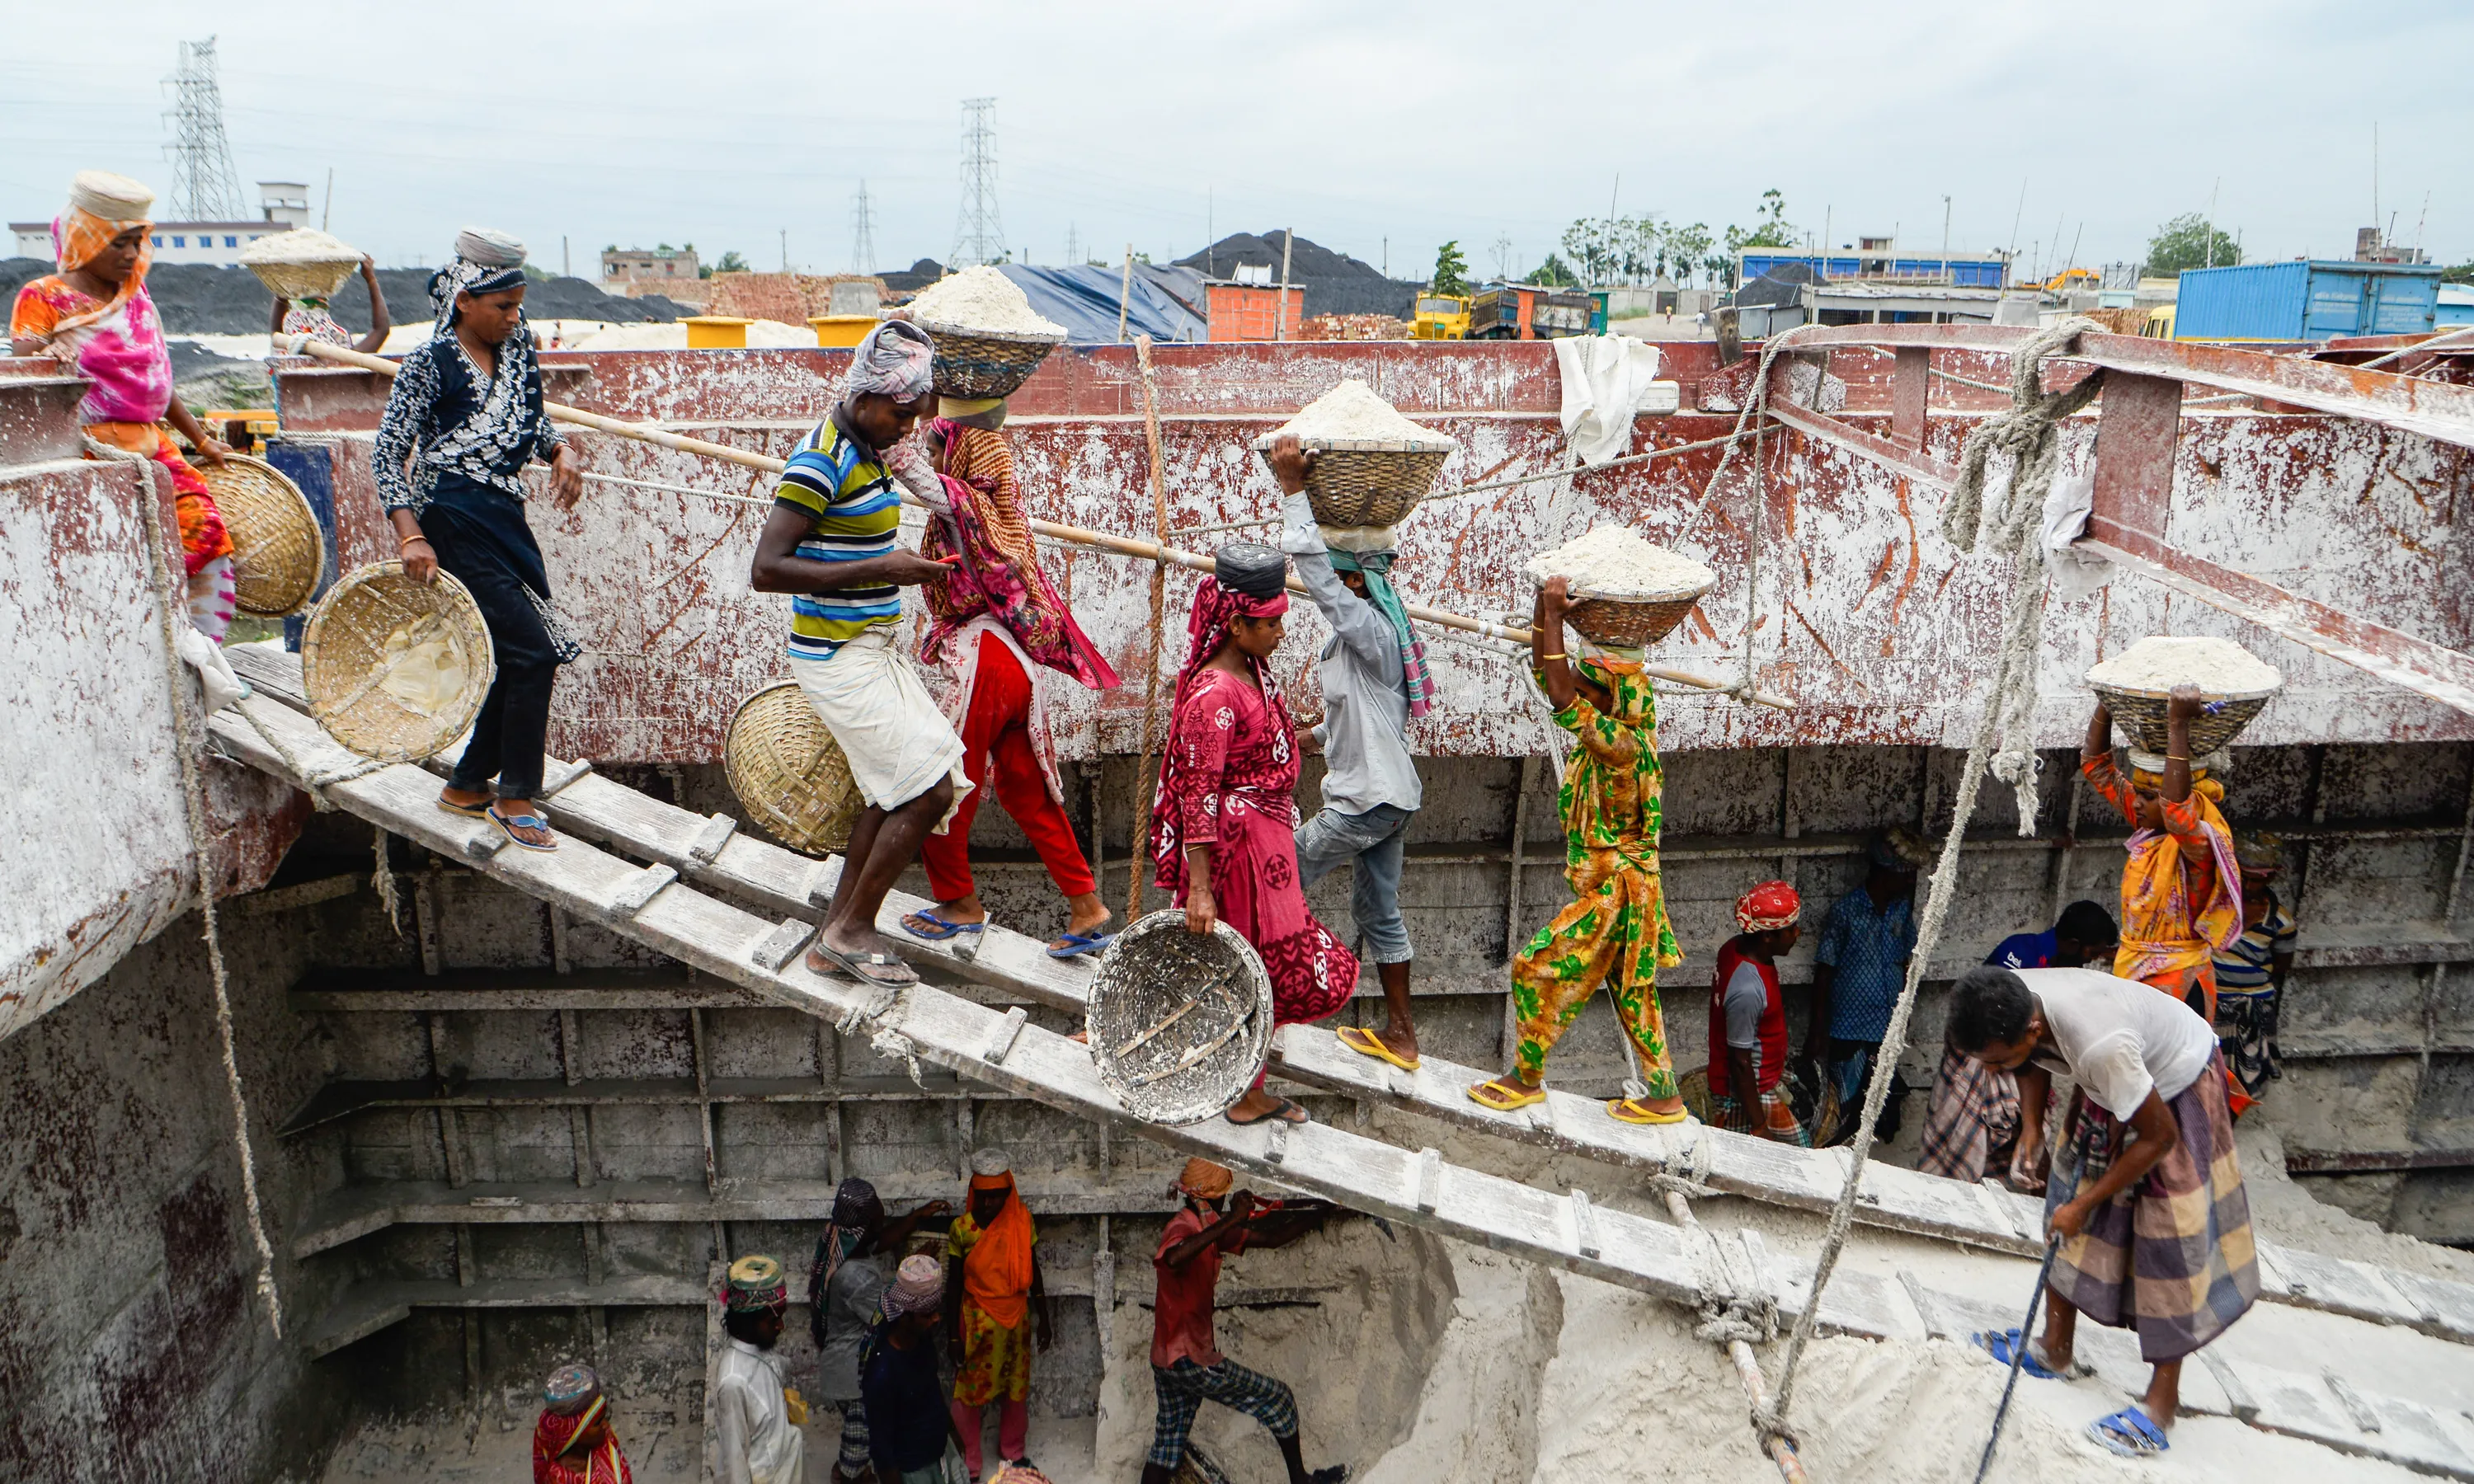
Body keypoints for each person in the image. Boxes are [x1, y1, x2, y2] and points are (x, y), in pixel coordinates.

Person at [1948, 965, 2259, 1458]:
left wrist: (2085, 1205)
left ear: (2032, 1030)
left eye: (1997, 1060)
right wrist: (2032, 1127)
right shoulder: (2015, 997)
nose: (1991, 1072)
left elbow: (2159, 1137)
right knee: (2063, 1202)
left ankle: (2161, 1405)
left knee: (2167, 1239)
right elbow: (2026, 1064)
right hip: (2113, 1087)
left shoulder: (2100, 1046)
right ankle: (2054, 1348)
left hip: (2177, 1088)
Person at [750, 319, 968, 988]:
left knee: (889, 791)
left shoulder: (873, 446)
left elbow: (925, 483)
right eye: (901, 415)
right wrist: (884, 568)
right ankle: (851, 929)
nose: (907, 428)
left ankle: (834, 936)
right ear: (866, 398)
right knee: (927, 789)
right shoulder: (821, 461)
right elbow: (767, 569)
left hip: (870, 647)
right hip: (835, 657)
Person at [377, 227, 585, 852]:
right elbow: (390, 451)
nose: (513, 318)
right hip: (452, 515)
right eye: (502, 306)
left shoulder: (519, 346)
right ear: (465, 300)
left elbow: (531, 416)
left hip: (505, 516)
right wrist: (411, 535)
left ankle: (468, 785)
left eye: (518, 306)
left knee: (514, 653)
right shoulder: (428, 364)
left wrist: (558, 447)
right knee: (534, 652)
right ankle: (516, 795)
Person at [895, 392, 1120, 960]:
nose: (934, 453)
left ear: (963, 455)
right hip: (1014, 665)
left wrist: (906, 411)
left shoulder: (965, 503)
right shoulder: (1003, 513)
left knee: (945, 784)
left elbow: (908, 467)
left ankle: (959, 904)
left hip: (984, 667)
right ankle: (1087, 906)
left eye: (942, 447)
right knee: (1028, 791)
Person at [1147, 543, 1360, 1128]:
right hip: (1237, 856)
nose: (1280, 635)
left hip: (1267, 847)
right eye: (1270, 625)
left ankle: (1247, 1077)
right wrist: (1199, 889)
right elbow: (1198, 793)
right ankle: (1245, 1095)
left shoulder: (1252, 673)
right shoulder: (1213, 696)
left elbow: (1265, 747)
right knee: (1249, 964)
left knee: (1259, 962)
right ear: (1236, 624)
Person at [1469, 576, 1685, 1124]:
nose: (1584, 688)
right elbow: (1556, 677)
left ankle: (1526, 1078)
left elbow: (1561, 691)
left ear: (1614, 697)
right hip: (1620, 885)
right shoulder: (1619, 727)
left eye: (1596, 685)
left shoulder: (1621, 745)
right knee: (1633, 993)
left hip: (1618, 889)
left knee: (1534, 966)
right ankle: (1664, 1095)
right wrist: (1547, 615)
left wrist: (1551, 613)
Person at [10, 171, 238, 641]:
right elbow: (23, 375)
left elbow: (158, 378)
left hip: (153, 445)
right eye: (119, 243)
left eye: (137, 242)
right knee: (115, 556)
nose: (132, 255)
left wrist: (200, 440)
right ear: (86, 237)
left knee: (206, 535)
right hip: (90, 452)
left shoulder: (134, 295)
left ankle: (195, 655)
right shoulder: (44, 296)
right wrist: (50, 359)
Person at [1268, 434, 1432, 1072]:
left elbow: (1314, 573)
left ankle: (1275, 1002)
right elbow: (1354, 725)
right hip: (1388, 799)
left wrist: (1293, 493)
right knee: (1376, 910)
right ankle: (1401, 1036)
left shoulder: (1368, 629)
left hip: (1365, 803)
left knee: (1278, 880)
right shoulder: (1352, 648)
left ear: (1355, 580)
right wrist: (1303, 739)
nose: (1327, 588)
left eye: (1339, 578)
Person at [1145, 1160, 1346, 1484]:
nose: (1227, 1202)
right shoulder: (1183, 1227)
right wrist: (1232, 1220)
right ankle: (1301, 1481)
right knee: (1278, 1398)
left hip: (1165, 1360)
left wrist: (1321, 1210)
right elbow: (1173, 1258)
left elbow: (1274, 1238)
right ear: (1211, 1197)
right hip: (1190, 1360)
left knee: (1167, 1447)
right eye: (1223, 1196)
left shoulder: (1208, 1227)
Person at [1919, 901, 2118, 1183]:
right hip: (1985, 1053)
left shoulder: (2066, 968)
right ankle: (1950, 1188)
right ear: (2073, 944)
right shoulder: (2019, 955)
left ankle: (2030, 1195)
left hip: (2020, 1057)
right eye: (2092, 952)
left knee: (2027, 1124)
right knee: (1967, 1126)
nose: (2092, 960)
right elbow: (1989, 1023)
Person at [2082, 688, 2241, 1021]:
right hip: (2133, 969)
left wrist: (2178, 725)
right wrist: (2109, 700)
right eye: (2137, 794)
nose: (2136, 803)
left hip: (2178, 979)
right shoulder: (2150, 822)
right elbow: (2096, 765)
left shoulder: (2199, 842)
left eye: (2147, 796)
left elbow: (2176, 811)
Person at [810, 1179, 952, 1484]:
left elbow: (882, 1239)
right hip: (852, 1373)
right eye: (878, 1219)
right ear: (863, 1228)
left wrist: (916, 1216)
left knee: (862, 1443)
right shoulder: (854, 1278)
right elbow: (888, 1309)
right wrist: (914, 1272)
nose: (883, 1220)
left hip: (848, 1363)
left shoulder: (843, 1241)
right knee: (859, 1449)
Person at [1803, 829, 1924, 1129]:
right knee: (1842, 1106)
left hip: (1886, 1027)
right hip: (1850, 1027)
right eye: (1905, 874)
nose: (1911, 881)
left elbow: (1907, 960)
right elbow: (1824, 972)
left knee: (1879, 1104)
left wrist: (1904, 1010)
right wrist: (1817, 1031)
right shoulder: (1846, 912)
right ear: (1885, 872)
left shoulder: (1901, 910)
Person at [944, 1150, 1049, 1480]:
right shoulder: (962, 1229)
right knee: (969, 1393)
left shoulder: (1021, 1221)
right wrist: (952, 1335)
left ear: (1008, 1194)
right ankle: (970, 1462)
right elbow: (954, 1284)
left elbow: (1034, 1270)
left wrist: (1044, 1317)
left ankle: (1013, 1451)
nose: (990, 1205)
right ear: (975, 1193)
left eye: (997, 1198)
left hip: (1016, 1321)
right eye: (984, 1198)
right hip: (977, 1323)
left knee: (1015, 1390)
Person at [1705, 881, 1808, 1144]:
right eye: (1790, 929)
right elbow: (1740, 1063)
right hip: (1748, 1094)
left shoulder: (1734, 949)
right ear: (1766, 936)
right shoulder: (1748, 988)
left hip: (1760, 1080)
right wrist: (1759, 1125)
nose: (1797, 933)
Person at [861, 1255, 965, 1484]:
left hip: (939, 1452)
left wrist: (953, 1434)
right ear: (904, 1318)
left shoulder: (922, 1340)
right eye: (928, 1315)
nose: (936, 1319)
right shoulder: (882, 1373)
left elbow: (932, 1391)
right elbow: (882, 1449)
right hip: (913, 1470)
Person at [2213, 831, 2298, 1095]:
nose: (2249, 887)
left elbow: (2282, 965)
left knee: (2244, 1080)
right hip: (2212, 1001)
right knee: (2207, 1075)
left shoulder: (2281, 921)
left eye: (2257, 880)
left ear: (2272, 877)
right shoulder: (2213, 906)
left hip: (2254, 1008)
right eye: (2244, 878)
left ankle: (2225, 1131)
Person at [715, 1255, 808, 1484]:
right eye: (774, 1319)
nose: (781, 1326)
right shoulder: (733, 1381)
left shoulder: (760, 1347)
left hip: (784, 1462)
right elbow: (734, 1460)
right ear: (750, 1322)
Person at [266, 251, 391, 353]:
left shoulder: (286, 348)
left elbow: (276, 332)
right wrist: (371, 279)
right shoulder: (343, 358)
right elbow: (381, 330)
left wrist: (283, 283)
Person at [533, 1363, 633, 1484]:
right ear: (573, 1435)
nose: (606, 1425)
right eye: (597, 1423)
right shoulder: (561, 1477)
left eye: (604, 1418)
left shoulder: (601, 1443)